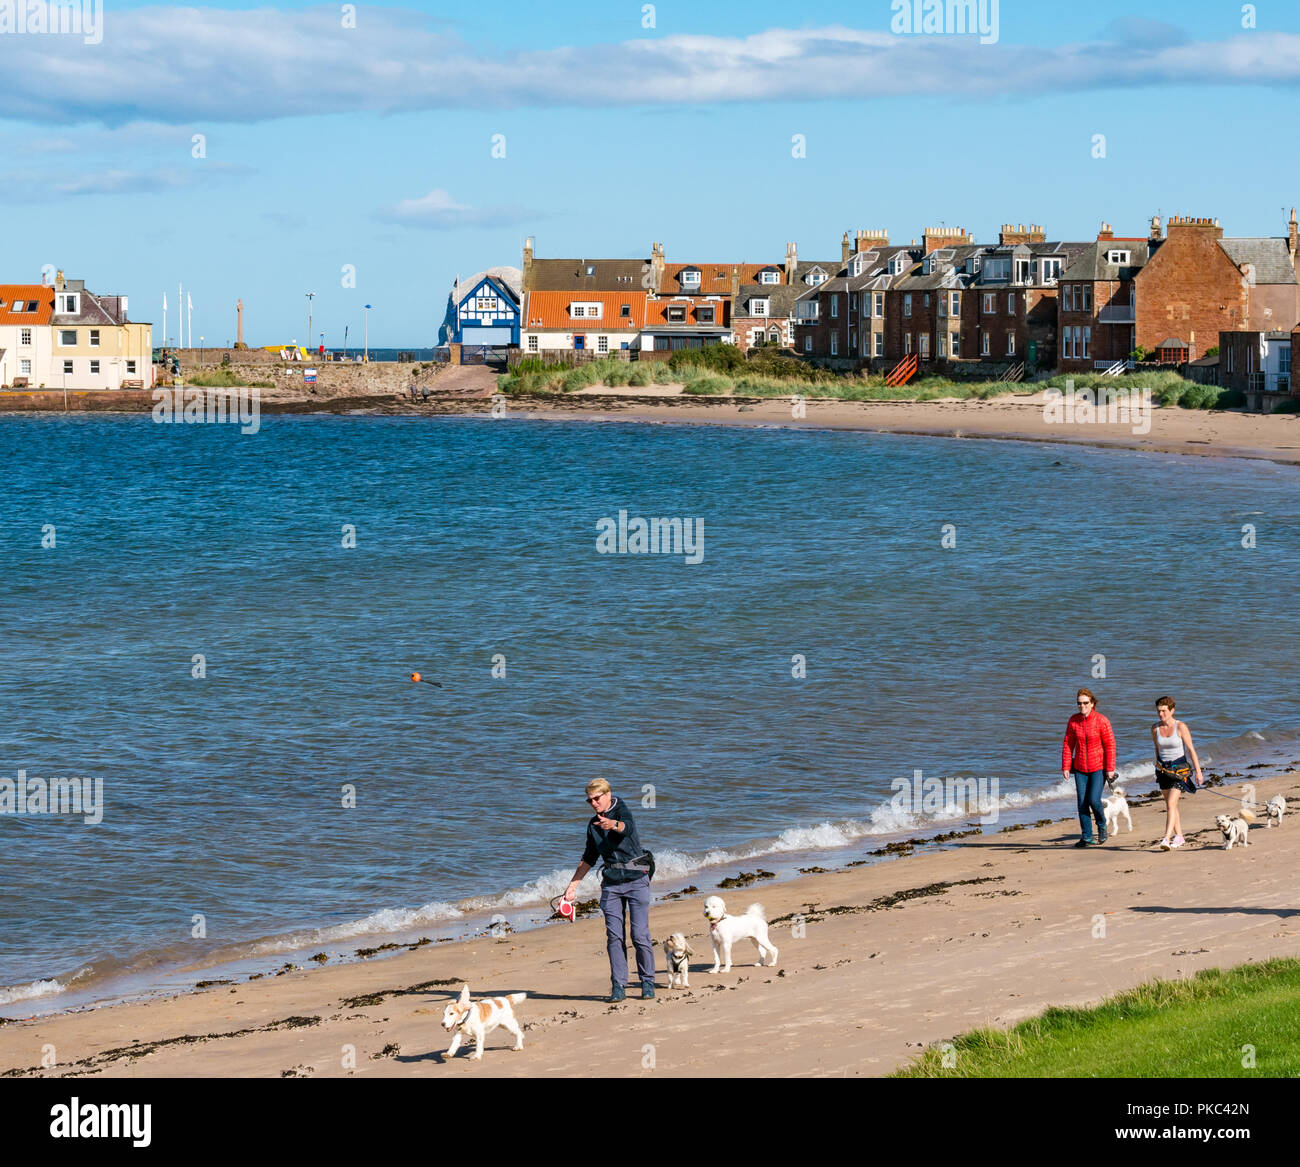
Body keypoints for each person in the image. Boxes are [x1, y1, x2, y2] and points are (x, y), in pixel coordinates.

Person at [563, 779, 656, 1003]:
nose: (594, 803)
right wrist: (572, 886)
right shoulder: (593, 825)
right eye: (590, 800)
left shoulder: (622, 810)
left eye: (597, 798)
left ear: (608, 794)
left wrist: (613, 825)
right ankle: (618, 986)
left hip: (637, 880)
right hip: (612, 885)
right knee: (614, 936)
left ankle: (647, 982)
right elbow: (589, 857)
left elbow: (627, 828)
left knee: (639, 934)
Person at [1061, 687, 1118, 846]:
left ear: (1092, 703)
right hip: (1079, 768)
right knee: (1082, 803)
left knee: (1093, 799)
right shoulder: (1073, 720)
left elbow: (1110, 745)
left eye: (1085, 703)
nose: (1082, 706)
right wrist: (1066, 766)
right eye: (1079, 703)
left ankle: (1101, 824)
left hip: (1098, 767)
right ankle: (1087, 836)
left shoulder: (1101, 720)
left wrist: (1110, 768)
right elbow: (1068, 744)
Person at [1151, 695, 1203, 850]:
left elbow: (1191, 750)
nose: (1161, 714)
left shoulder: (1181, 727)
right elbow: (1157, 749)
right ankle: (1179, 836)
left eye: (1164, 711)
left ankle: (1166, 838)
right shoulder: (1155, 728)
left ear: (1172, 710)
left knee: (1171, 804)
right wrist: (1157, 767)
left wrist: (1198, 772)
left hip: (1180, 770)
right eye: (1159, 711)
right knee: (1171, 805)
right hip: (1163, 771)